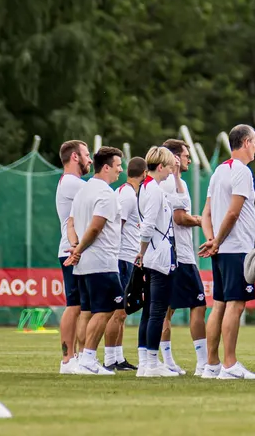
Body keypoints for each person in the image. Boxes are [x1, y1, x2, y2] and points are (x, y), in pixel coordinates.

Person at [61, 147, 125, 374]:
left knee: (88, 311)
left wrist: (76, 247)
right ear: (106, 167)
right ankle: (88, 358)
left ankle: (83, 359)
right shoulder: (106, 193)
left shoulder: (83, 191)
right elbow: (96, 226)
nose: (121, 170)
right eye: (118, 165)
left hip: (84, 265)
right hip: (102, 262)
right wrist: (78, 249)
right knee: (107, 310)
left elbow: (70, 223)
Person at [203, 124, 255, 378]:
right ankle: (229, 364)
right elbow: (233, 212)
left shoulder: (218, 172)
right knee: (235, 306)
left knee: (219, 305)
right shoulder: (242, 171)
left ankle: (212, 365)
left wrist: (212, 239)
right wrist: (217, 241)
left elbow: (207, 213)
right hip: (236, 248)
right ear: (246, 142)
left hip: (222, 248)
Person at [157, 138, 210, 375]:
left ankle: (166, 360)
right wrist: (200, 220)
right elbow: (180, 218)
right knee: (198, 305)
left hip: (168, 254)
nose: (189, 159)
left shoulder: (160, 182)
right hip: (181, 256)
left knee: (165, 310)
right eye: (186, 155)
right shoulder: (174, 183)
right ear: (176, 158)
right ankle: (202, 362)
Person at [134, 146, 183, 376]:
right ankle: (152, 363)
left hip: (154, 254)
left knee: (149, 311)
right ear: (160, 167)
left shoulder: (148, 187)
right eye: (168, 168)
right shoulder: (152, 189)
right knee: (157, 311)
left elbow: (179, 200)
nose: (170, 172)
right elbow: (148, 226)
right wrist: (141, 253)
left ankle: (145, 361)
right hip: (158, 256)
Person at [102, 156, 145, 371]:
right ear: (144, 174)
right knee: (117, 311)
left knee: (123, 312)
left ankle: (118, 357)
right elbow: (118, 227)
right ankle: (109, 358)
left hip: (127, 257)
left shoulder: (126, 192)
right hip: (122, 258)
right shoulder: (128, 194)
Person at [54, 140, 90, 372]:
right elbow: (102, 197)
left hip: (77, 250)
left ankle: (77, 358)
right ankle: (68, 359)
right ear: (75, 157)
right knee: (74, 305)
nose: (89, 159)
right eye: (86, 154)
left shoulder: (73, 183)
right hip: (71, 250)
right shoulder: (71, 182)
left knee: (81, 306)